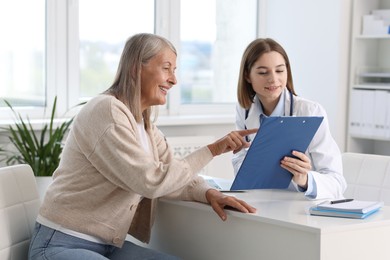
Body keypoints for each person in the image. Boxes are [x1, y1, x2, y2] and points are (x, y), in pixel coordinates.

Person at [28, 33, 257, 260]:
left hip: (108, 246)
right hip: (60, 243)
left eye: (174, 70)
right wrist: (213, 150)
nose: (174, 80)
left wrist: (209, 193)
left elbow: (172, 172)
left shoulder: (144, 124)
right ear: (137, 68)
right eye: (166, 68)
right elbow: (150, 181)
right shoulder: (107, 111)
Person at [232, 38, 347, 200]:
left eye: (279, 70)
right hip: (266, 202)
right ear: (247, 76)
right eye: (263, 72)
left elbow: (337, 182)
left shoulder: (310, 111)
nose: (273, 79)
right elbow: (241, 164)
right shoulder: (244, 110)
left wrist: (305, 179)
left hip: (305, 208)